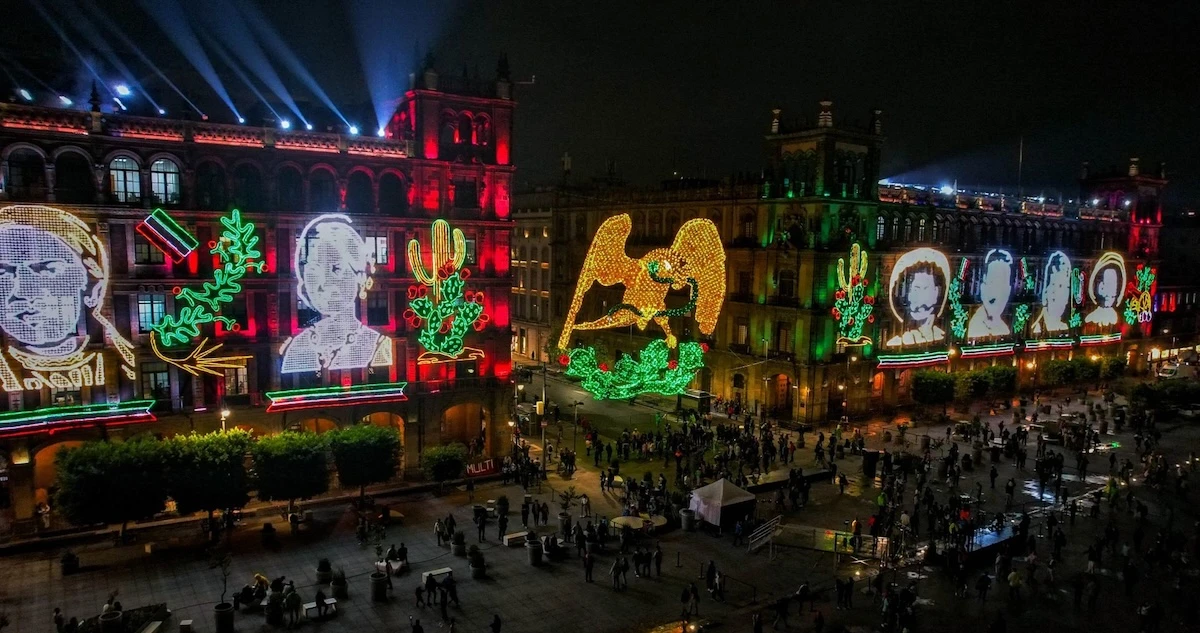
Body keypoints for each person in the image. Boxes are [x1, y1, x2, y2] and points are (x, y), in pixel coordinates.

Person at [280, 214, 392, 373]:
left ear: (359, 277)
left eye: (335, 269)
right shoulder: (295, 348)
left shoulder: (376, 345)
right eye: (314, 269)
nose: (324, 282)